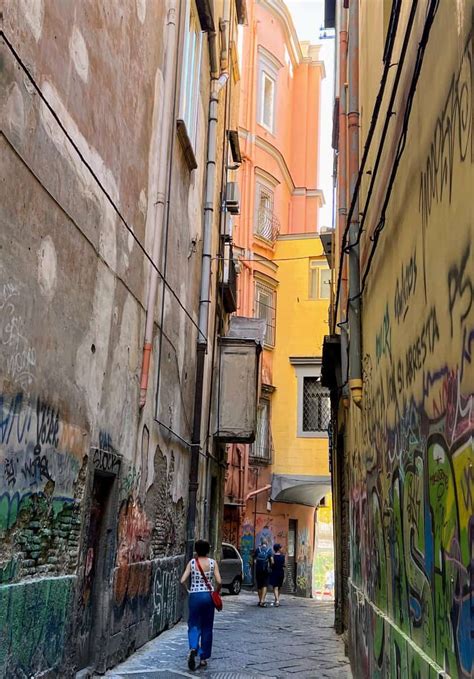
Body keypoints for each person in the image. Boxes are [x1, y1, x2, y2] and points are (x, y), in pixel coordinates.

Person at [180, 539, 222, 671]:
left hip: (195, 596)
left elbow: (182, 580)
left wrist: (188, 590)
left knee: (193, 624)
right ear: (208, 550)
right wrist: (216, 591)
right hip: (208, 596)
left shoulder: (192, 563)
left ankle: (193, 647)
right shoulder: (212, 563)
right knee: (207, 627)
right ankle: (203, 658)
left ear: (196, 550)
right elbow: (219, 581)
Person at [254, 538, 273, 607]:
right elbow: (272, 561)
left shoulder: (257, 550)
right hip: (265, 570)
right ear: (267, 543)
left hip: (258, 570)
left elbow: (255, 561)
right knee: (265, 585)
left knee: (259, 585)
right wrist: (270, 566)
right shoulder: (269, 550)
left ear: (261, 543)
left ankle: (260, 600)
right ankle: (262, 600)